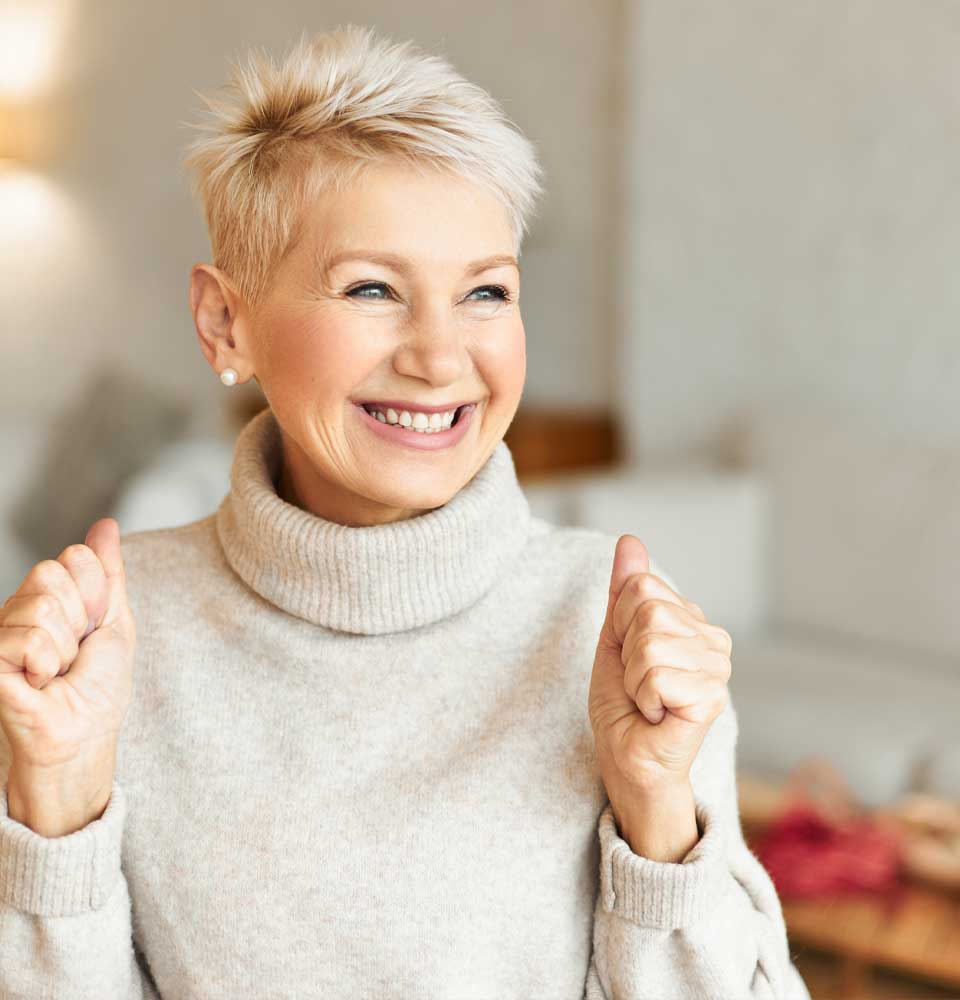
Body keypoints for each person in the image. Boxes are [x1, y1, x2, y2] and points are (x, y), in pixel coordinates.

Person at [0, 25, 810, 999]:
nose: (439, 356)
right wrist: (53, 804)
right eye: (373, 288)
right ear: (226, 321)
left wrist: (656, 810)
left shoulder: (609, 629)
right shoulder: (105, 649)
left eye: (485, 291)